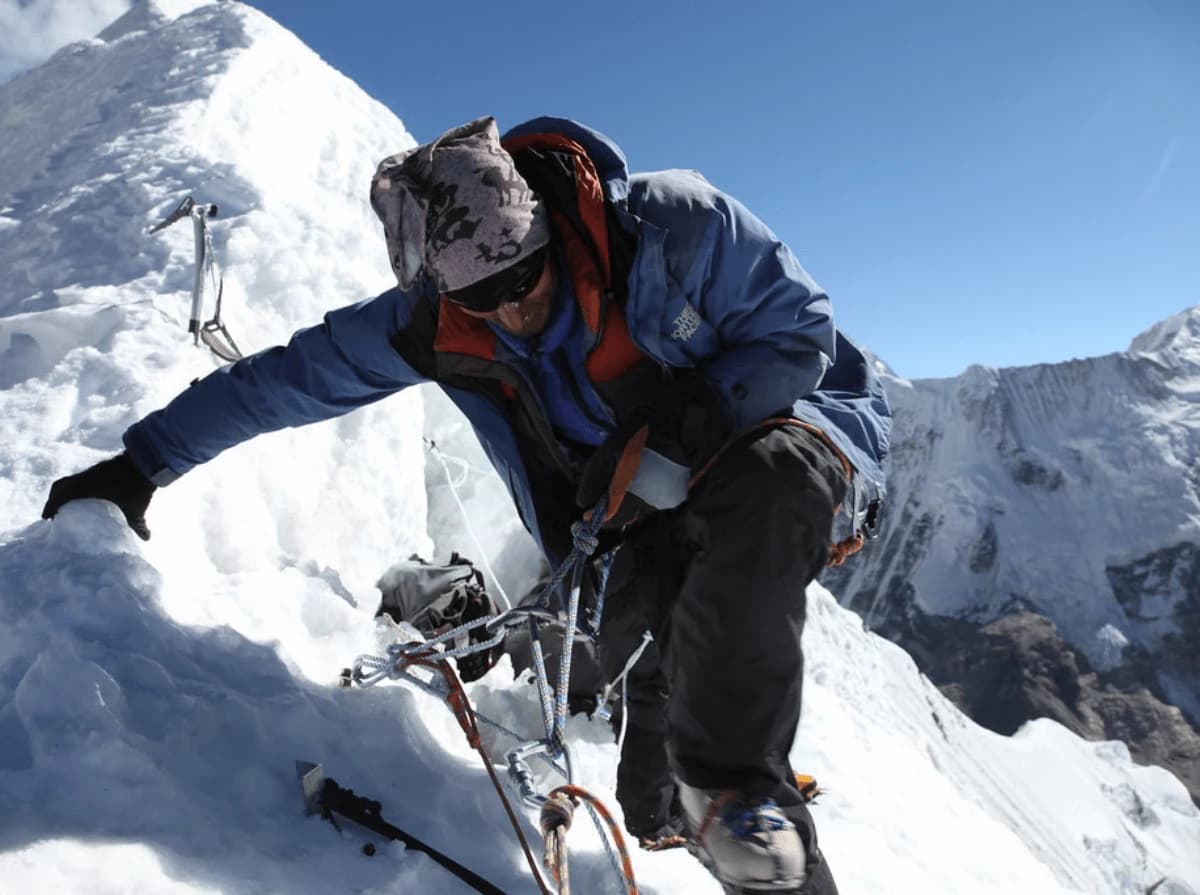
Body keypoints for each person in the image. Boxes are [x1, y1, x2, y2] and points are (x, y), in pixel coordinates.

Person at [42, 116, 889, 895]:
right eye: (483, 297)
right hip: (635, 501)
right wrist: (144, 462)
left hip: (792, 429)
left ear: (547, 230)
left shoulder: (673, 228)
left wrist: (691, 415)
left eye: (525, 276)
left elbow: (799, 330)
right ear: (446, 290)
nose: (515, 308)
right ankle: (682, 813)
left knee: (754, 517)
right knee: (657, 703)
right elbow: (289, 378)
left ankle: (741, 800)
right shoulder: (431, 324)